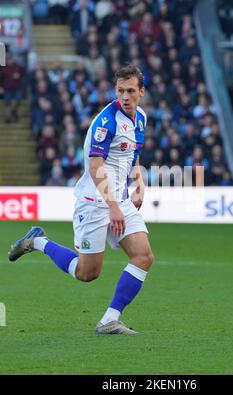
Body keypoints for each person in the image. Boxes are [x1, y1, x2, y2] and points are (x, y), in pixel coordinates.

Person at [8, 65, 154, 335]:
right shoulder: (106, 122)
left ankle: (109, 319)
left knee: (143, 256)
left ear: (141, 92)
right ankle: (37, 241)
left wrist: (139, 184)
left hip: (118, 199)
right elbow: (96, 164)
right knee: (87, 274)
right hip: (95, 201)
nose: (125, 96)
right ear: (115, 90)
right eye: (120, 90)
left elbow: (133, 155)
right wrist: (112, 206)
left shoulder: (141, 118)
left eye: (131, 91)